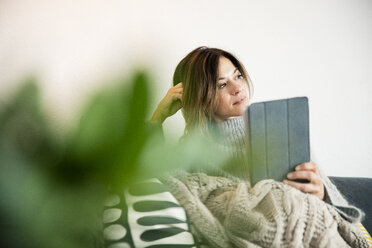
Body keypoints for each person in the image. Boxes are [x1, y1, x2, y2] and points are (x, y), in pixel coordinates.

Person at [150, 46, 362, 223]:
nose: (237, 88)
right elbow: (153, 180)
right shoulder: (193, 150)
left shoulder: (281, 127)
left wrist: (321, 193)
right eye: (222, 84)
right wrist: (158, 117)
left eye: (238, 76)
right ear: (200, 99)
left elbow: (335, 207)